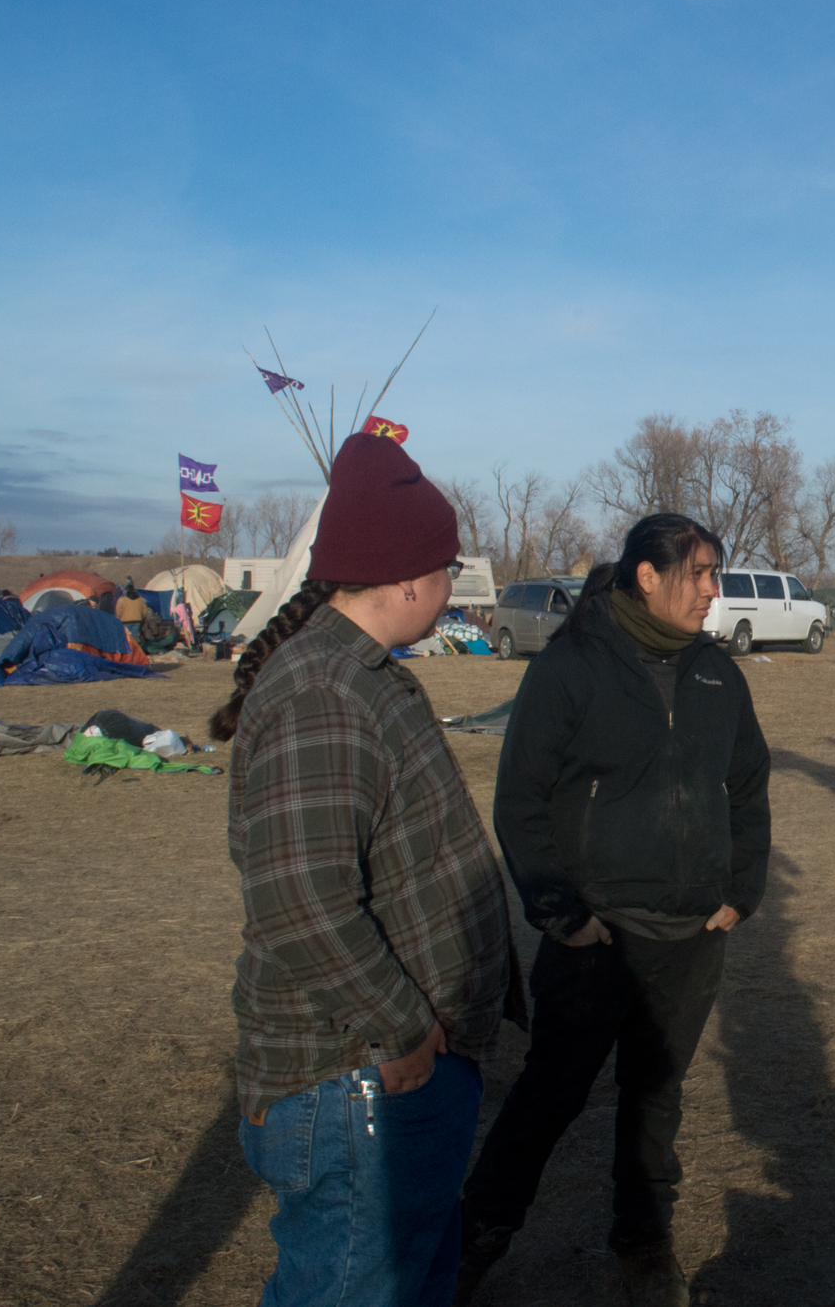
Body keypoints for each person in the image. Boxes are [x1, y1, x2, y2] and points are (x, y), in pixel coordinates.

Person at [211, 432, 523, 1307]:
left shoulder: (361, 675)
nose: (451, 583)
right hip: (358, 1077)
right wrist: (404, 1029)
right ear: (408, 577)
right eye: (448, 567)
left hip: (388, 1074)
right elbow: (301, 903)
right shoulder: (322, 693)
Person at [458, 514, 771, 1307]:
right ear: (646, 576)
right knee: (550, 1095)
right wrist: (564, 914)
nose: (712, 591)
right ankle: (472, 1242)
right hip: (597, 934)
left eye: (715, 574)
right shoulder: (570, 668)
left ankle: (642, 1241)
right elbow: (521, 802)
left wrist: (740, 890)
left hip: (692, 934)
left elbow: (747, 784)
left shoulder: (715, 673)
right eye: (699, 573)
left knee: (655, 1096)